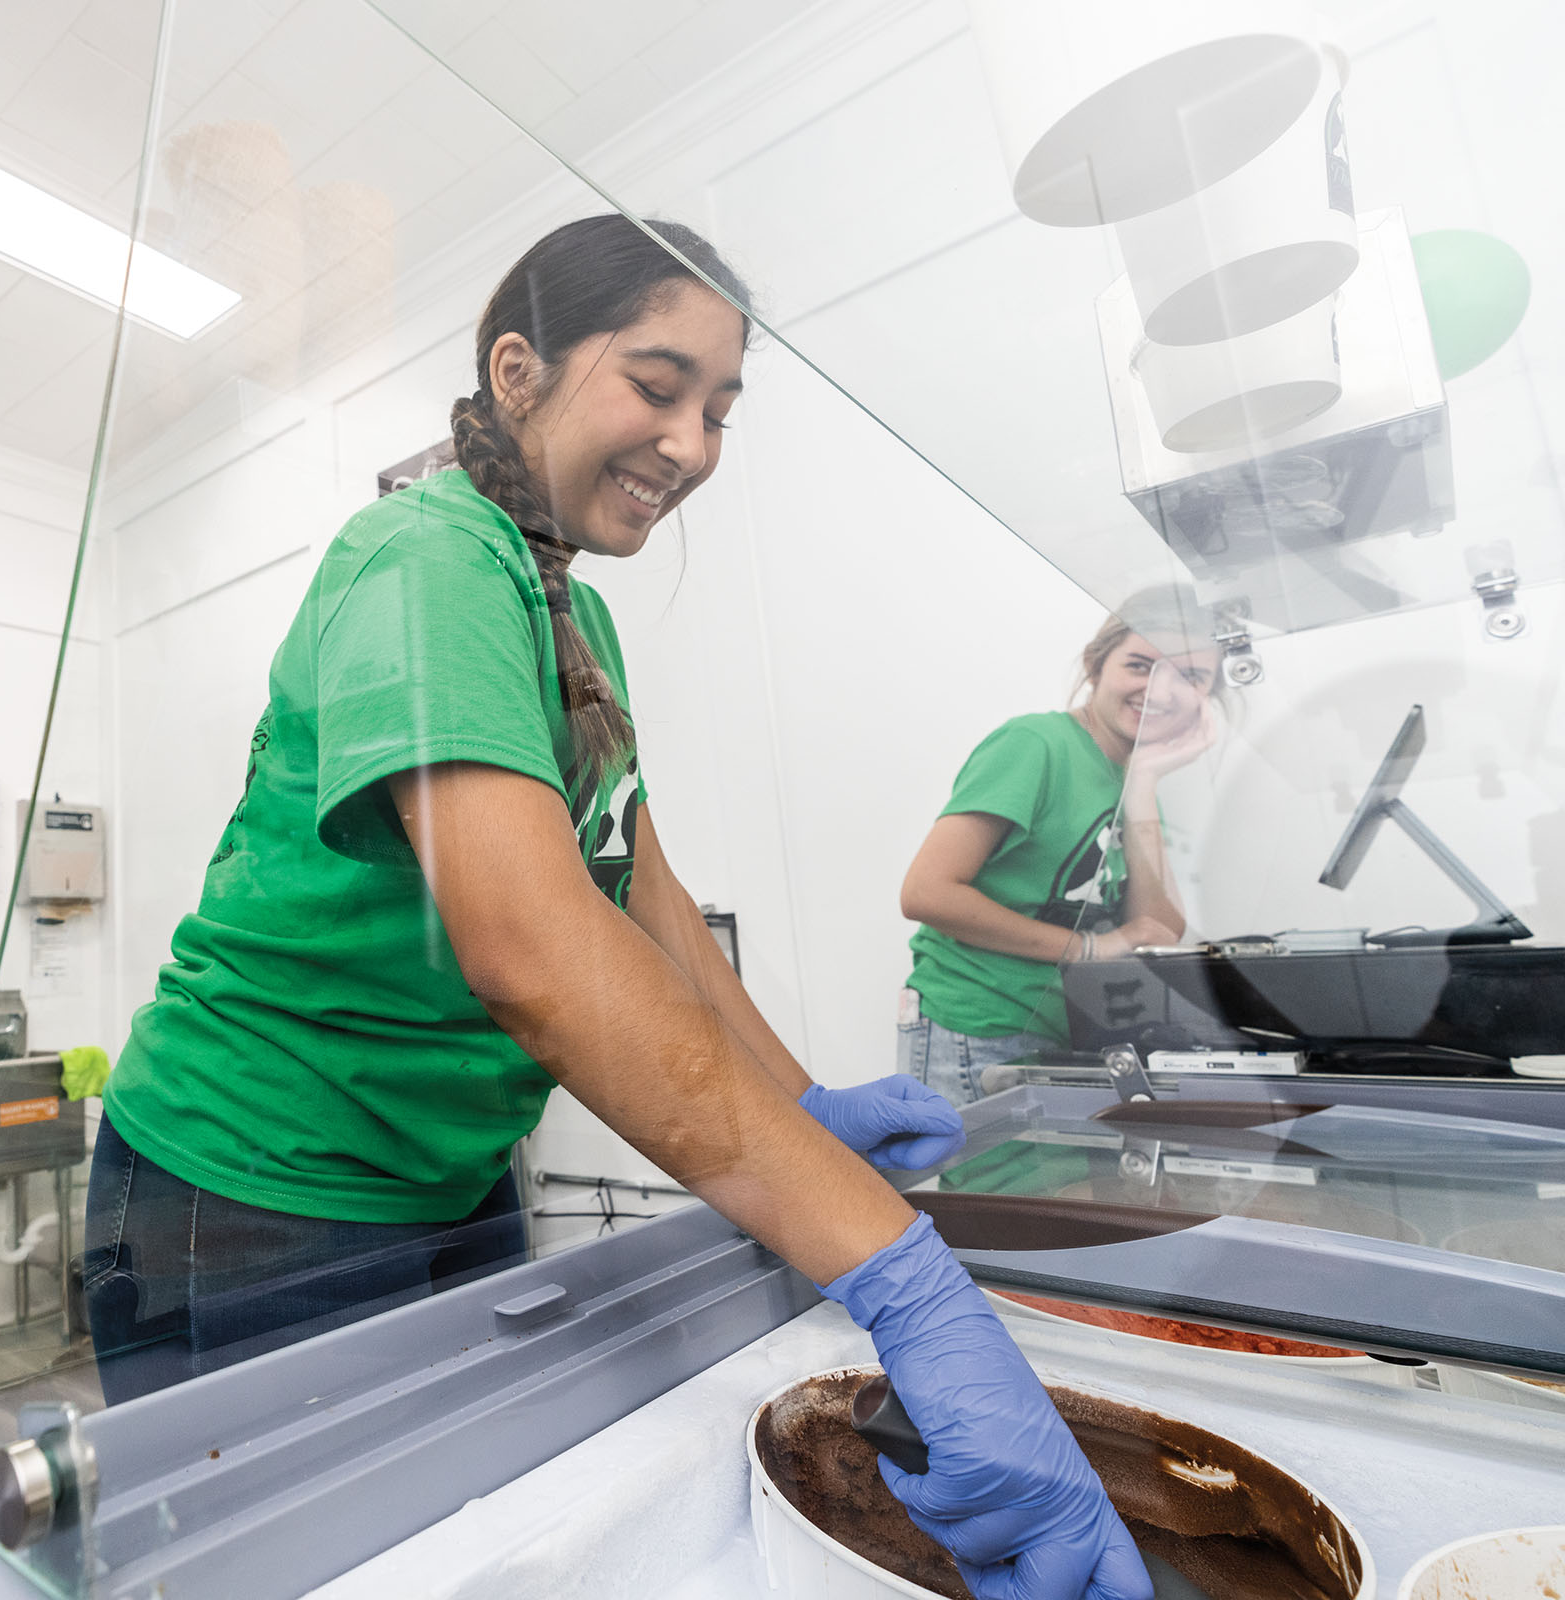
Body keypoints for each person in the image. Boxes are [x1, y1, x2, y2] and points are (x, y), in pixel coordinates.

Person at [87, 214, 1151, 1600]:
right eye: (658, 388)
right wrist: (900, 1272)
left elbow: (641, 892)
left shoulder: (574, 622)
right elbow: (536, 953)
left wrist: (801, 1108)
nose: (694, 446)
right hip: (250, 1193)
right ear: (517, 370)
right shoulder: (425, 561)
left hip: (452, 1179)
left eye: (719, 409)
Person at [898, 591, 1224, 1104]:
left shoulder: (1132, 778)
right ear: (1097, 664)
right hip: (980, 1027)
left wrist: (1143, 784)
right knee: (992, 1187)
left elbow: (1158, 930)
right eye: (1140, 665)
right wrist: (1087, 949)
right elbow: (926, 893)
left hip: (1068, 1032)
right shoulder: (1036, 744)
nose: (1159, 690)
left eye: (1190, 677)